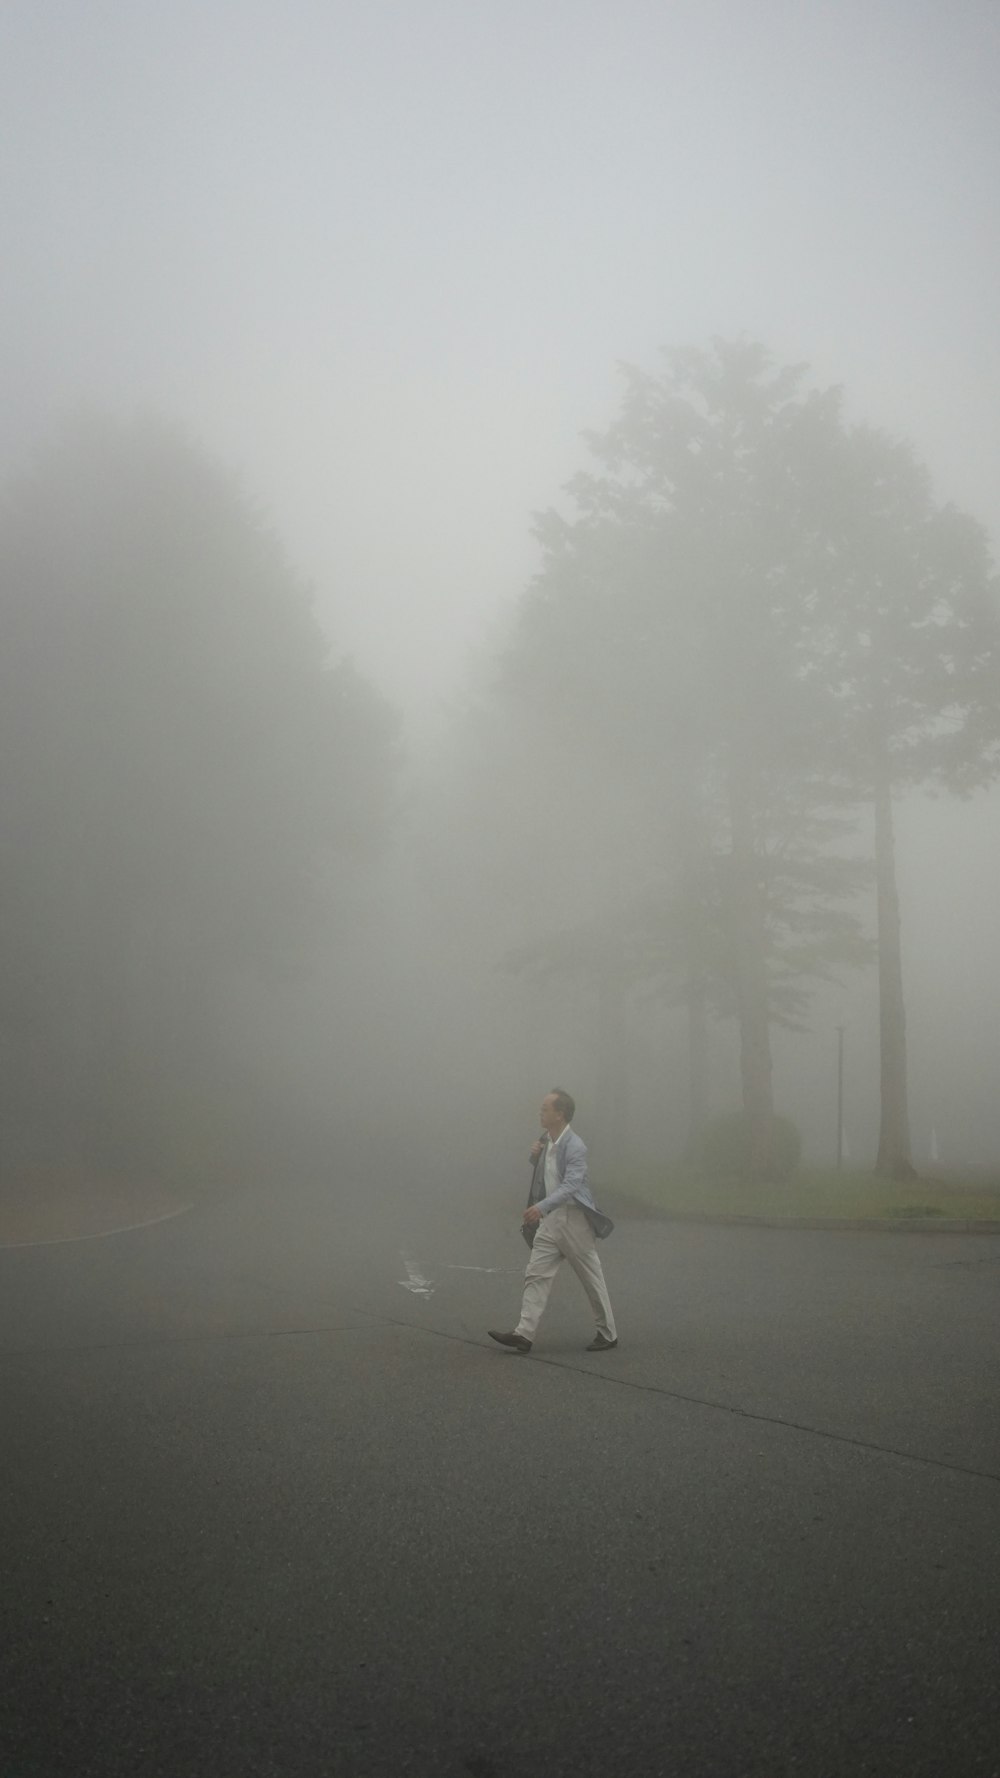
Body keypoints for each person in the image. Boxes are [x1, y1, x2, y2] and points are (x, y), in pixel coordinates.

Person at [488, 1089, 618, 1354]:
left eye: (545, 1108)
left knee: (591, 1277)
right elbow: (545, 1173)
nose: (540, 1112)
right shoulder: (546, 1140)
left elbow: (571, 1185)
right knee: (536, 1273)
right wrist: (534, 1156)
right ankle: (524, 1333)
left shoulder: (576, 1146)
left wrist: (541, 1206)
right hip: (551, 1220)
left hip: (573, 1219)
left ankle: (608, 1333)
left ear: (560, 1114)